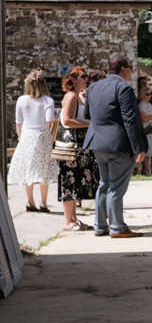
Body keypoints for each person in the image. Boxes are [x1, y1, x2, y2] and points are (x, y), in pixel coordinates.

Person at [84, 55, 147, 238]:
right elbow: (130, 120)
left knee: (104, 184)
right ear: (123, 69)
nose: (131, 72)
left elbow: (88, 114)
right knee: (116, 187)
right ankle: (118, 227)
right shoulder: (123, 88)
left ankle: (100, 225)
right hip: (118, 144)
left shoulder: (93, 87)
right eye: (131, 68)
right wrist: (139, 147)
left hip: (97, 142)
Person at [10, 69, 60, 213]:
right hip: (42, 136)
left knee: (28, 169)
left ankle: (29, 200)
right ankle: (43, 202)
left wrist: (20, 138)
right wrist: (56, 116)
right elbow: (49, 120)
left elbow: (18, 122)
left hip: (26, 136)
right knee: (43, 168)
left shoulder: (21, 100)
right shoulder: (47, 100)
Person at [57, 66, 98, 231]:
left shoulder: (79, 97)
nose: (86, 79)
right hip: (71, 145)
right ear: (73, 79)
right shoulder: (71, 96)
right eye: (82, 76)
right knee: (69, 181)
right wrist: (90, 124)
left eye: (86, 76)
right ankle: (68, 221)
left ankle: (74, 218)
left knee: (76, 180)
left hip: (79, 145)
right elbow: (66, 121)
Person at [137, 87, 152, 176]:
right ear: (143, 95)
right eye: (147, 94)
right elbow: (143, 119)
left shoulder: (149, 104)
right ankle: (146, 169)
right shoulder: (142, 105)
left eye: (150, 94)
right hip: (147, 129)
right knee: (147, 150)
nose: (149, 96)